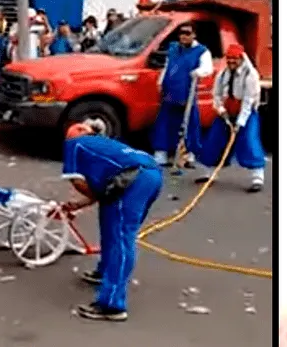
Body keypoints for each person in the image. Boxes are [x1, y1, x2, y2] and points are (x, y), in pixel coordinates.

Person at [60, 119, 162, 321]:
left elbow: (77, 181)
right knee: (109, 222)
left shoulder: (74, 144)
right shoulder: (106, 144)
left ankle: (112, 304)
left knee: (121, 237)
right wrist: (79, 205)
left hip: (133, 179)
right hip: (150, 173)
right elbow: (102, 191)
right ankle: (105, 271)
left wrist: (79, 201)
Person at [196, 44, 266, 193]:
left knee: (249, 141)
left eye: (235, 59)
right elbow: (216, 95)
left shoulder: (250, 76)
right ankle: (209, 172)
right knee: (214, 140)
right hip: (227, 112)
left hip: (245, 112)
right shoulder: (222, 74)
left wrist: (240, 122)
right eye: (229, 59)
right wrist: (221, 111)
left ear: (241, 59)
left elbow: (249, 100)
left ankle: (257, 176)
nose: (232, 62)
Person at [152, 21, 214, 167]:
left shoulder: (201, 51)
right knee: (165, 122)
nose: (183, 36)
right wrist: (161, 81)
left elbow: (208, 68)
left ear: (194, 34)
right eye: (181, 33)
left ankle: (189, 154)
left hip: (187, 91)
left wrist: (198, 72)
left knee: (189, 123)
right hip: (170, 90)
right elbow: (167, 66)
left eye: (187, 33)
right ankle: (161, 153)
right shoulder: (173, 48)